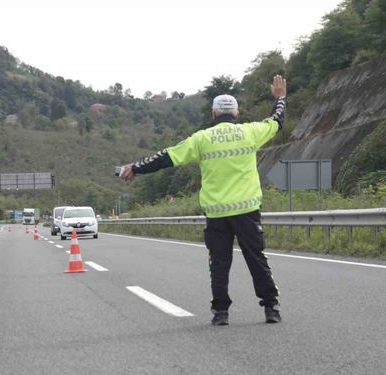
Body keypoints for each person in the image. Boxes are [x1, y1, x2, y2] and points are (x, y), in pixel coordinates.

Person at [120, 75, 287, 326]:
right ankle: (271, 308)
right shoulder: (250, 132)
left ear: (214, 114)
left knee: (219, 264)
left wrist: (136, 167)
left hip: (217, 213)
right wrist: (279, 98)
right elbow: (277, 121)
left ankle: (221, 313)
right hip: (247, 210)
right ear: (237, 113)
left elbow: (167, 157)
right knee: (257, 259)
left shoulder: (202, 139)